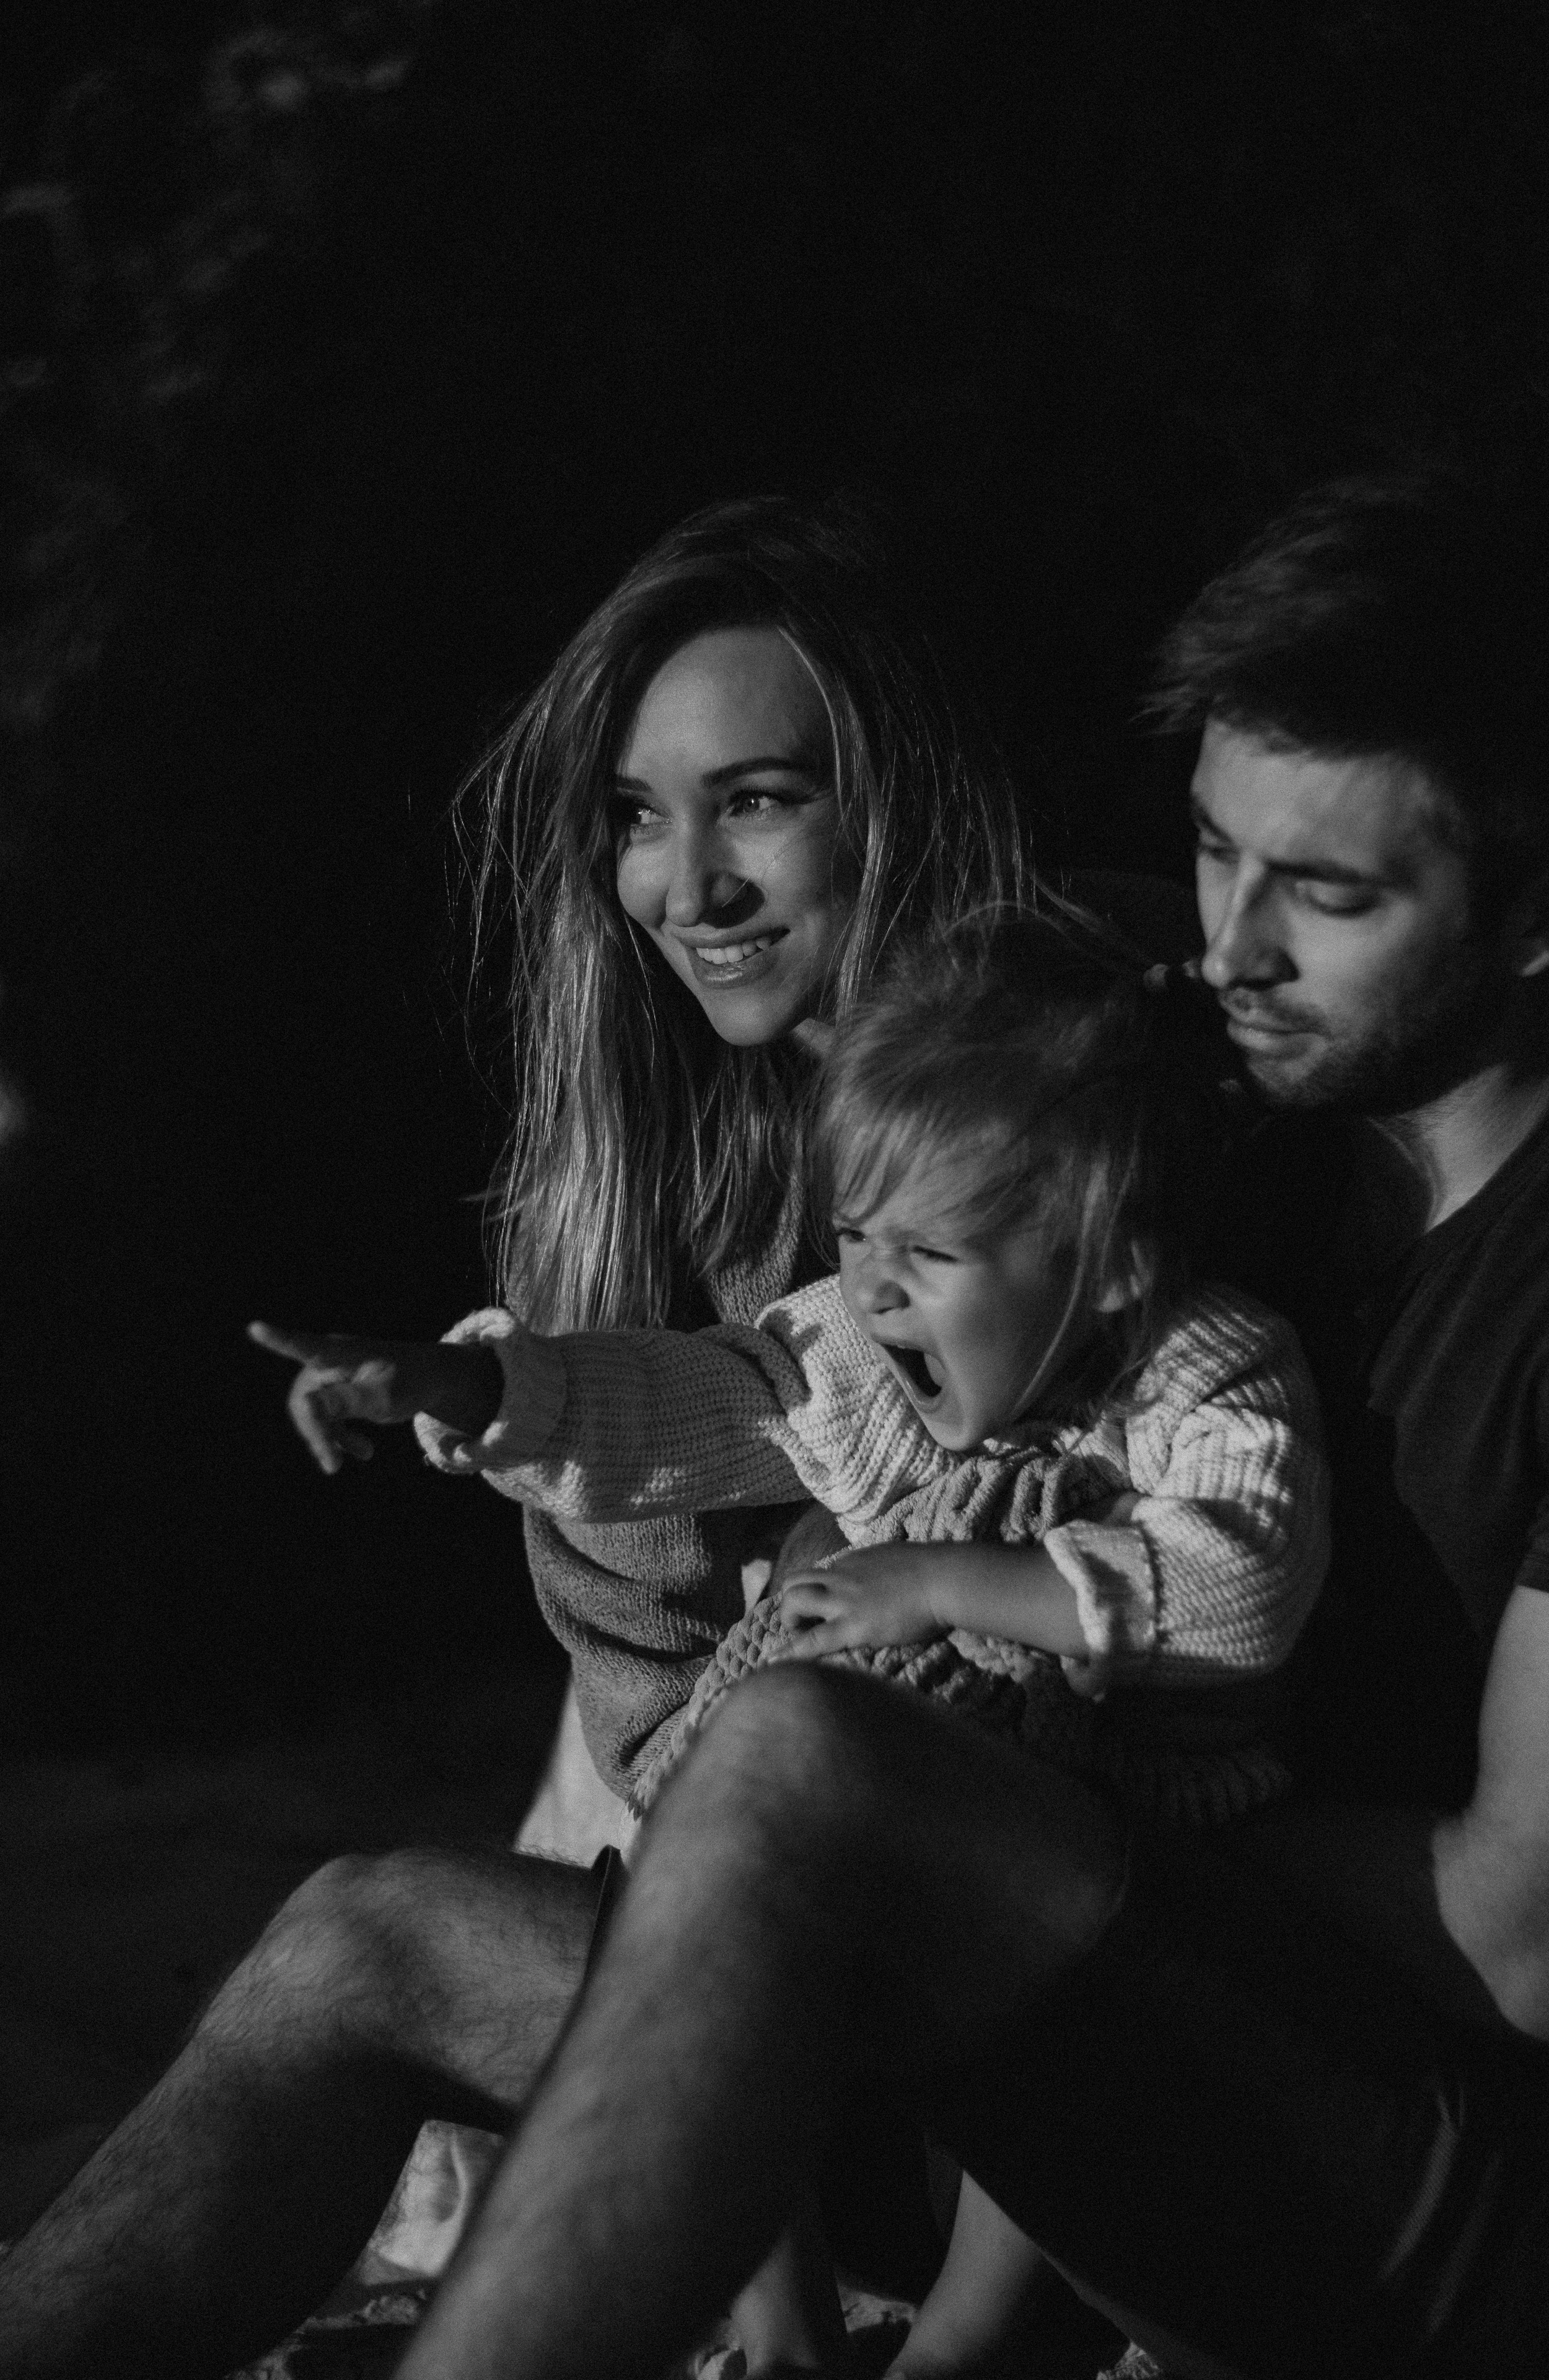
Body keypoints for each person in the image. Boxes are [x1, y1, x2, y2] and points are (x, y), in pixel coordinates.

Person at [354, 466, 1549, 2380]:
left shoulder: (1221, 1216)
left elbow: (1520, 1931)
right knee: (367, 1940)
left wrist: (964, 1766)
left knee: (797, 1760)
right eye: (1208, 854)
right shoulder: (1256, 1117)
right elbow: (717, 1428)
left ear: (1545, 919)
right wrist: (488, 1391)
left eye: (1324, 893)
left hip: (1420, 2162)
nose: (1227, 952)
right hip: (1003, 1971)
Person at [0, 497, 1030, 2380]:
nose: (684, 883)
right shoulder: (723, 1176)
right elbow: (674, 1727)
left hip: (1027, 2065)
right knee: (298, 1991)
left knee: (359, 1945)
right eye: (640, 814)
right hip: (803, 2009)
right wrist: (485, 1392)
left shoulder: (1043, 1171)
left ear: (903, 795)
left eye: (761, 798)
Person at [250, 906, 1329, 2377]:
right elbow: (678, 1402)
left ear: (1111, 1263)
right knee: (690, 1887)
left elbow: (1238, 1589)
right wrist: (460, 1381)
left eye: (929, 1249)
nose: (872, 1285)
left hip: (1121, 1883)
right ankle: (780, 2321)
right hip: (881, 1871)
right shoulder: (864, 1353)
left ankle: (961, 2338)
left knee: (1052, 2065)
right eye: (851, 1231)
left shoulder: (1203, 1372)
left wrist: (944, 1584)